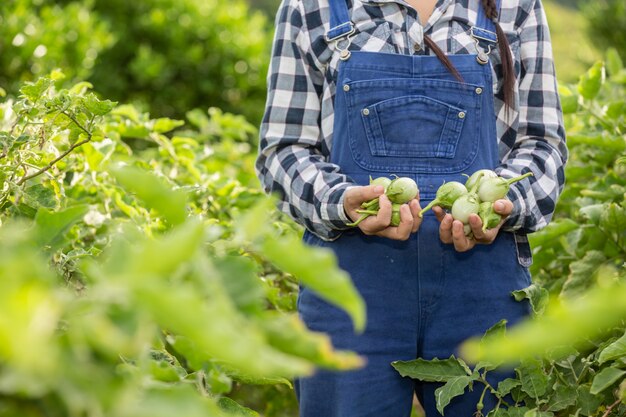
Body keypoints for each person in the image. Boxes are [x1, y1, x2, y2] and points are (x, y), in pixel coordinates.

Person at [256, 0, 567, 415]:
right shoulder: (310, 7)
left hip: (482, 292)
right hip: (350, 295)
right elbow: (283, 149)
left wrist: (503, 207)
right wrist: (341, 202)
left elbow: (541, 144)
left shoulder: (515, 6)